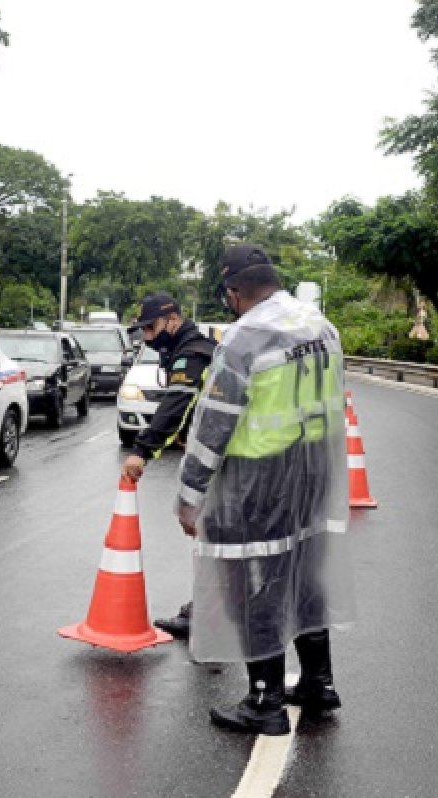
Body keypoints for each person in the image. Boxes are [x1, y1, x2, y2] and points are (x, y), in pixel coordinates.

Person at [175, 243, 355, 736]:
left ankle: (265, 702)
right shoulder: (321, 326)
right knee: (306, 575)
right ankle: (319, 682)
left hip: (260, 477)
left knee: (256, 584)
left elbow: (215, 423)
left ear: (234, 291)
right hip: (316, 467)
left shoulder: (245, 337)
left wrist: (190, 495)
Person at [119, 291, 217, 639]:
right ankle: (211, 609)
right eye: (143, 330)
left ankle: (212, 614)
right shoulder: (188, 348)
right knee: (214, 535)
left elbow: (177, 405)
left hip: (220, 459)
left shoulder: (192, 355)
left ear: (173, 320)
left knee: (212, 533)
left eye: (151, 328)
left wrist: (142, 451)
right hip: (220, 454)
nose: (147, 336)